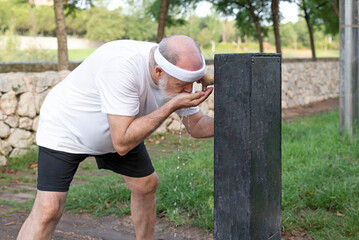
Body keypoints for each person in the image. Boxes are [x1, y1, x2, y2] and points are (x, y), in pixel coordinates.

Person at [16, 35, 214, 240]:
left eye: (192, 83)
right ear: (158, 71)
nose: (188, 91)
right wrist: (172, 105)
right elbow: (122, 142)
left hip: (121, 127)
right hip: (67, 128)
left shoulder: (174, 72)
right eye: (183, 85)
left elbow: (196, 126)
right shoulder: (122, 66)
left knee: (146, 185)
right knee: (48, 209)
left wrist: (242, 122)